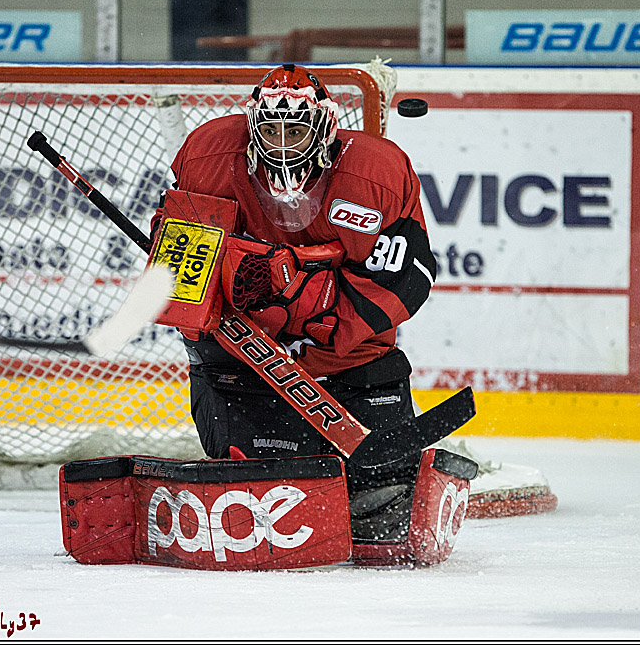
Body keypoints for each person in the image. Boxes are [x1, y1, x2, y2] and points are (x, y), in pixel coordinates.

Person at [149, 64, 450, 563]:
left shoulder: (375, 173)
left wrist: (316, 320)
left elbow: (409, 275)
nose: (283, 144)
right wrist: (234, 277)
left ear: (325, 127)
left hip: (349, 363)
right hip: (243, 362)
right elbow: (178, 277)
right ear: (252, 127)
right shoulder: (208, 156)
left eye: (295, 130)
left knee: (383, 516)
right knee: (254, 500)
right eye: (271, 130)